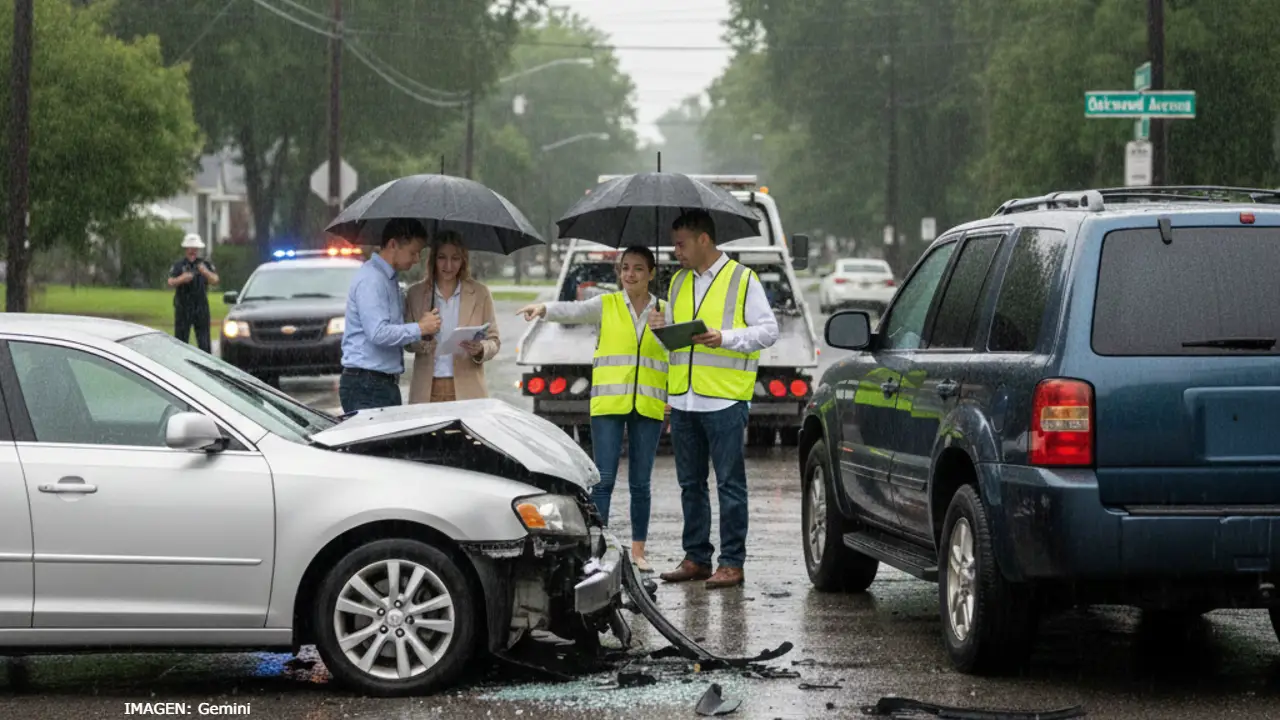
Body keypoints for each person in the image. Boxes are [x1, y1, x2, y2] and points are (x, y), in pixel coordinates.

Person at [649, 209, 779, 589]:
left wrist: (725, 337)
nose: (676, 251)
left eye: (681, 243)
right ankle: (696, 558)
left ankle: (732, 563)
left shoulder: (742, 279)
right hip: (685, 400)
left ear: (703, 239)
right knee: (690, 485)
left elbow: (768, 331)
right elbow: (676, 335)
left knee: (729, 486)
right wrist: (661, 327)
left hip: (723, 400)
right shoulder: (677, 282)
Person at [517, 246, 666, 572]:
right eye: (625, 268)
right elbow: (573, 311)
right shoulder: (607, 305)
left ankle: (639, 552)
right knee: (604, 479)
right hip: (609, 403)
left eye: (638, 269)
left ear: (651, 273)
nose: (630, 274)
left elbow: (680, 355)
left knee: (641, 483)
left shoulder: (666, 312)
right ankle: (599, 548)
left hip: (649, 404)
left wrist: (664, 328)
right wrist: (543, 308)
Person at [339, 219, 441, 413]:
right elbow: (377, 333)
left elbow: (394, 332)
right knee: (374, 444)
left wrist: (422, 333)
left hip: (380, 383)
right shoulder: (372, 280)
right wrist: (420, 328)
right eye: (413, 252)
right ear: (393, 244)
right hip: (367, 386)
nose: (417, 259)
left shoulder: (389, 279)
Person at [405, 231, 500, 403]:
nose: (448, 265)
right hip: (426, 390)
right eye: (442, 257)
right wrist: (422, 339)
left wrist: (480, 349)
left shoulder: (480, 293)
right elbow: (407, 343)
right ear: (433, 259)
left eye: (455, 258)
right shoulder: (415, 294)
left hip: (468, 391)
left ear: (463, 260)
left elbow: (494, 341)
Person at [167, 233, 219, 353]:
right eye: (190, 248)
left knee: (204, 343)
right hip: (183, 308)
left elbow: (215, 280)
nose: (193, 251)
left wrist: (205, 272)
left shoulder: (205, 264)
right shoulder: (179, 265)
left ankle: (206, 366)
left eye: (195, 249)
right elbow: (170, 282)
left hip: (201, 308)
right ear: (186, 249)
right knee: (180, 342)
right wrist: (182, 279)